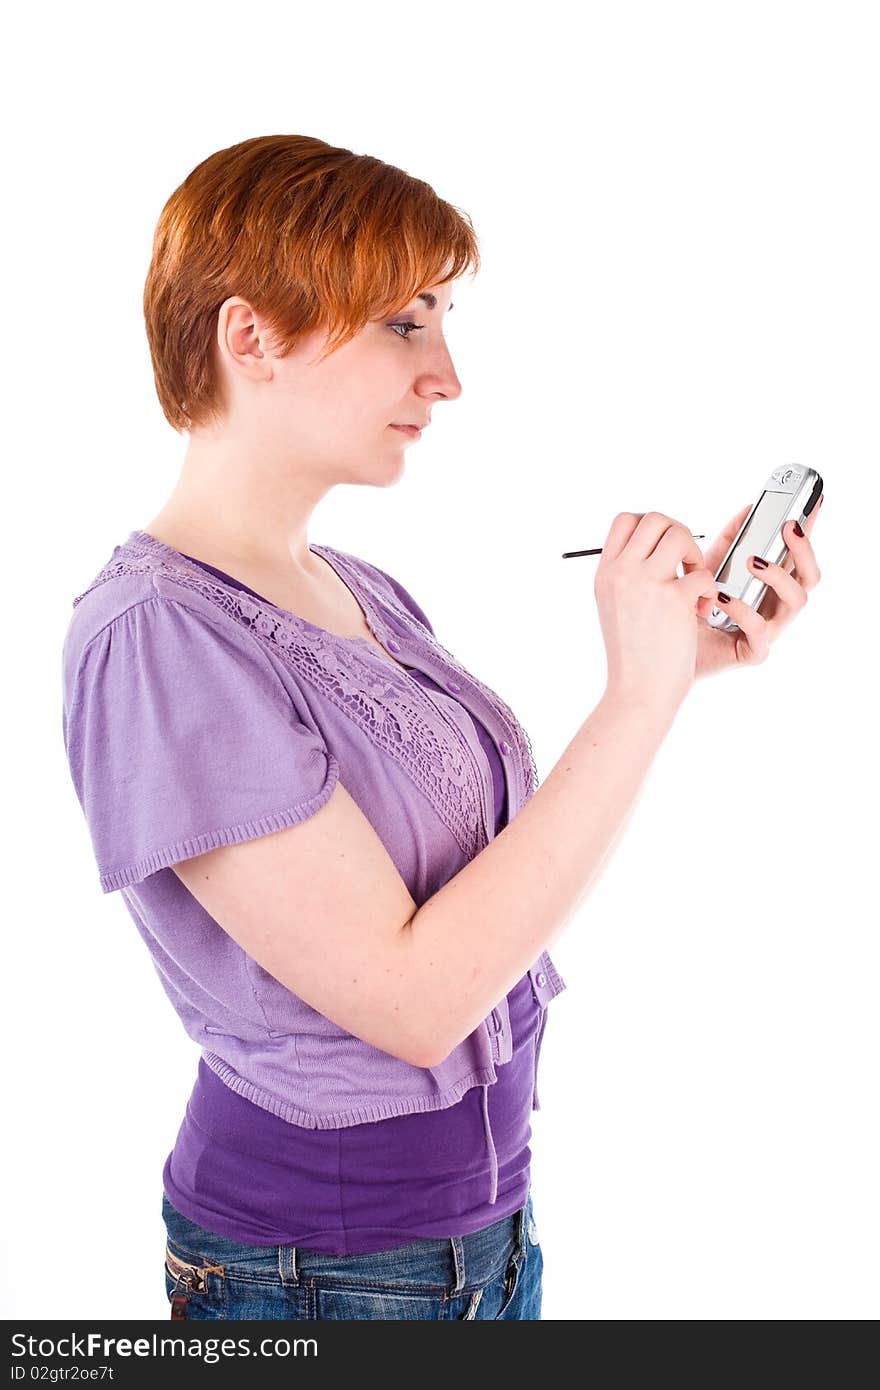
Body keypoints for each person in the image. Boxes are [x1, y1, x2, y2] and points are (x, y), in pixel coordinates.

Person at [60, 134, 823, 1322]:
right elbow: (414, 1000)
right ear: (249, 336)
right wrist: (630, 693)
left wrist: (675, 670)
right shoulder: (159, 639)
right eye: (403, 325)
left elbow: (484, 897)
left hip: (483, 1233)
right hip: (322, 1271)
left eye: (441, 321)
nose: (447, 374)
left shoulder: (356, 585)